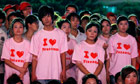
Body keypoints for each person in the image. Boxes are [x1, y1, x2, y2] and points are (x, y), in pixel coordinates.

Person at [30, 5, 68, 84]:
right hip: (40, 74)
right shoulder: (37, 36)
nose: (46, 19)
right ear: (41, 19)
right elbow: (34, 57)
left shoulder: (61, 34)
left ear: (52, 17)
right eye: (44, 17)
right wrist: (33, 73)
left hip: (56, 73)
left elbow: (63, 54)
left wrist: (63, 70)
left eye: (48, 16)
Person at [106, 16, 138, 84]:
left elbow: (134, 58)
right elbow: (108, 57)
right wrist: (107, 72)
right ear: (117, 25)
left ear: (128, 25)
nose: (123, 26)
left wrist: (134, 73)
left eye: (125, 24)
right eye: (121, 24)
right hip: (114, 72)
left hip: (127, 74)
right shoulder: (112, 38)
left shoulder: (132, 39)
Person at [1, 18, 31, 84]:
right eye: (15, 27)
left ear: (23, 29)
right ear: (12, 29)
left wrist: (22, 74)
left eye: (20, 27)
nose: (18, 29)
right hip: (10, 75)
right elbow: (6, 60)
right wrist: (20, 69)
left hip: (23, 75)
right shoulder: (7, 42)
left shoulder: (27, 43)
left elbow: (27, 60)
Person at [98, 18, 111, 84]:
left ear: (110, 26)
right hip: (102, 67)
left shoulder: (115, 38)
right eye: (103, 26)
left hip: (114, 66)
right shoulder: (98, 39)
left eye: (107, 25)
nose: (105, 28)